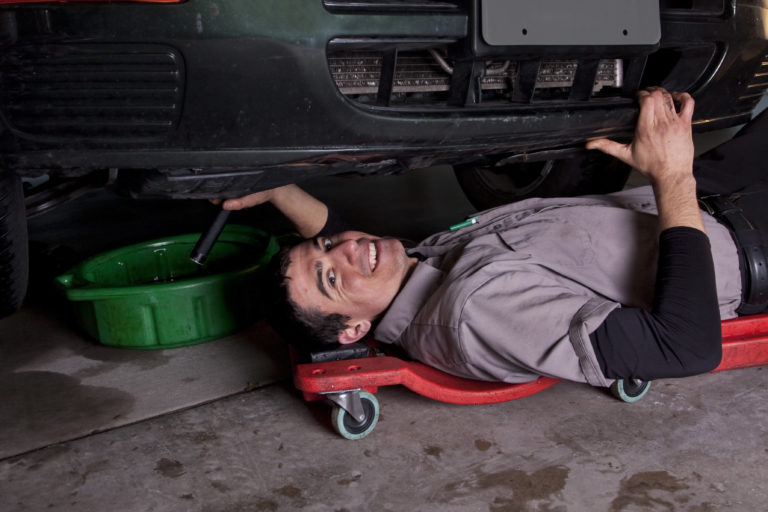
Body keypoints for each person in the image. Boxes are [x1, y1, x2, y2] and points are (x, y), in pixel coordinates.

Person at [225, 88, 768, 388]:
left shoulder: (420, 270)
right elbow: (684, 348)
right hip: (744, 238)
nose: (345, 249)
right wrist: (672, 175)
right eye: (330, 278)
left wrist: (278, 191)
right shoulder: (474, 313)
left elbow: (342, 241)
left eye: (325, 247)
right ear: (353, 331)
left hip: (703, 196)